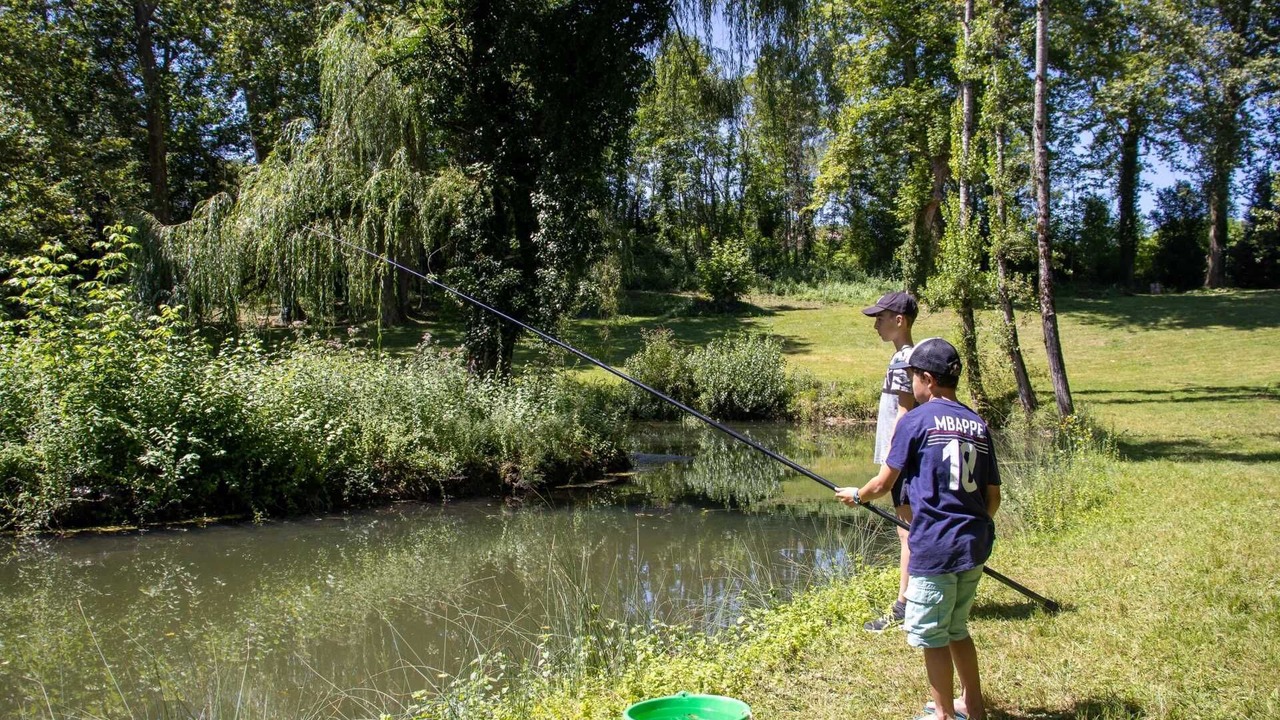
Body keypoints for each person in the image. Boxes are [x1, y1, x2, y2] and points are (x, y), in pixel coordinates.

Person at [836, 337, 1001, 720]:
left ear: (927, 379)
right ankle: (973, 707)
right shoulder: (977, 423)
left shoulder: (914, 420)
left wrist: (856, 495)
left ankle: (942, 713)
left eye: (912, 378)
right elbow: (992, 497)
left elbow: (883, 484)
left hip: (936, 548)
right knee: (958, 627)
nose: (911, 385)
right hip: (973, 546)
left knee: (931, 635)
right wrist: (973, 526)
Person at [861, 290, 918, 632]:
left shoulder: (904, 359)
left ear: (900, 321)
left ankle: (905, 605)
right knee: (908, 530)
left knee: (907, 532)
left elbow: (905, 413)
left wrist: (890, 465)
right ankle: (911, 599)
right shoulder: (905, 357)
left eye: (881, 318)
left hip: (902, 461)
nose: (876, 325)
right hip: (903, 459)